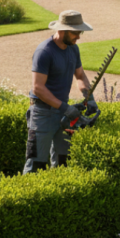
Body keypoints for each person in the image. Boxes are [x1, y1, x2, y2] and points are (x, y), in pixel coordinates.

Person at [23, 10, 96, 174]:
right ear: (62, 30)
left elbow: (80, 75)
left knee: (63, 162)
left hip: (63, 114)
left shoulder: (73, 49)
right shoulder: (44, 52)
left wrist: (89, 97)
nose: (78, 37)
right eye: (75, 33)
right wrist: (65, 108)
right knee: (35, 165)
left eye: (80, 32)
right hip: (42, 114)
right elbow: (38, 88)